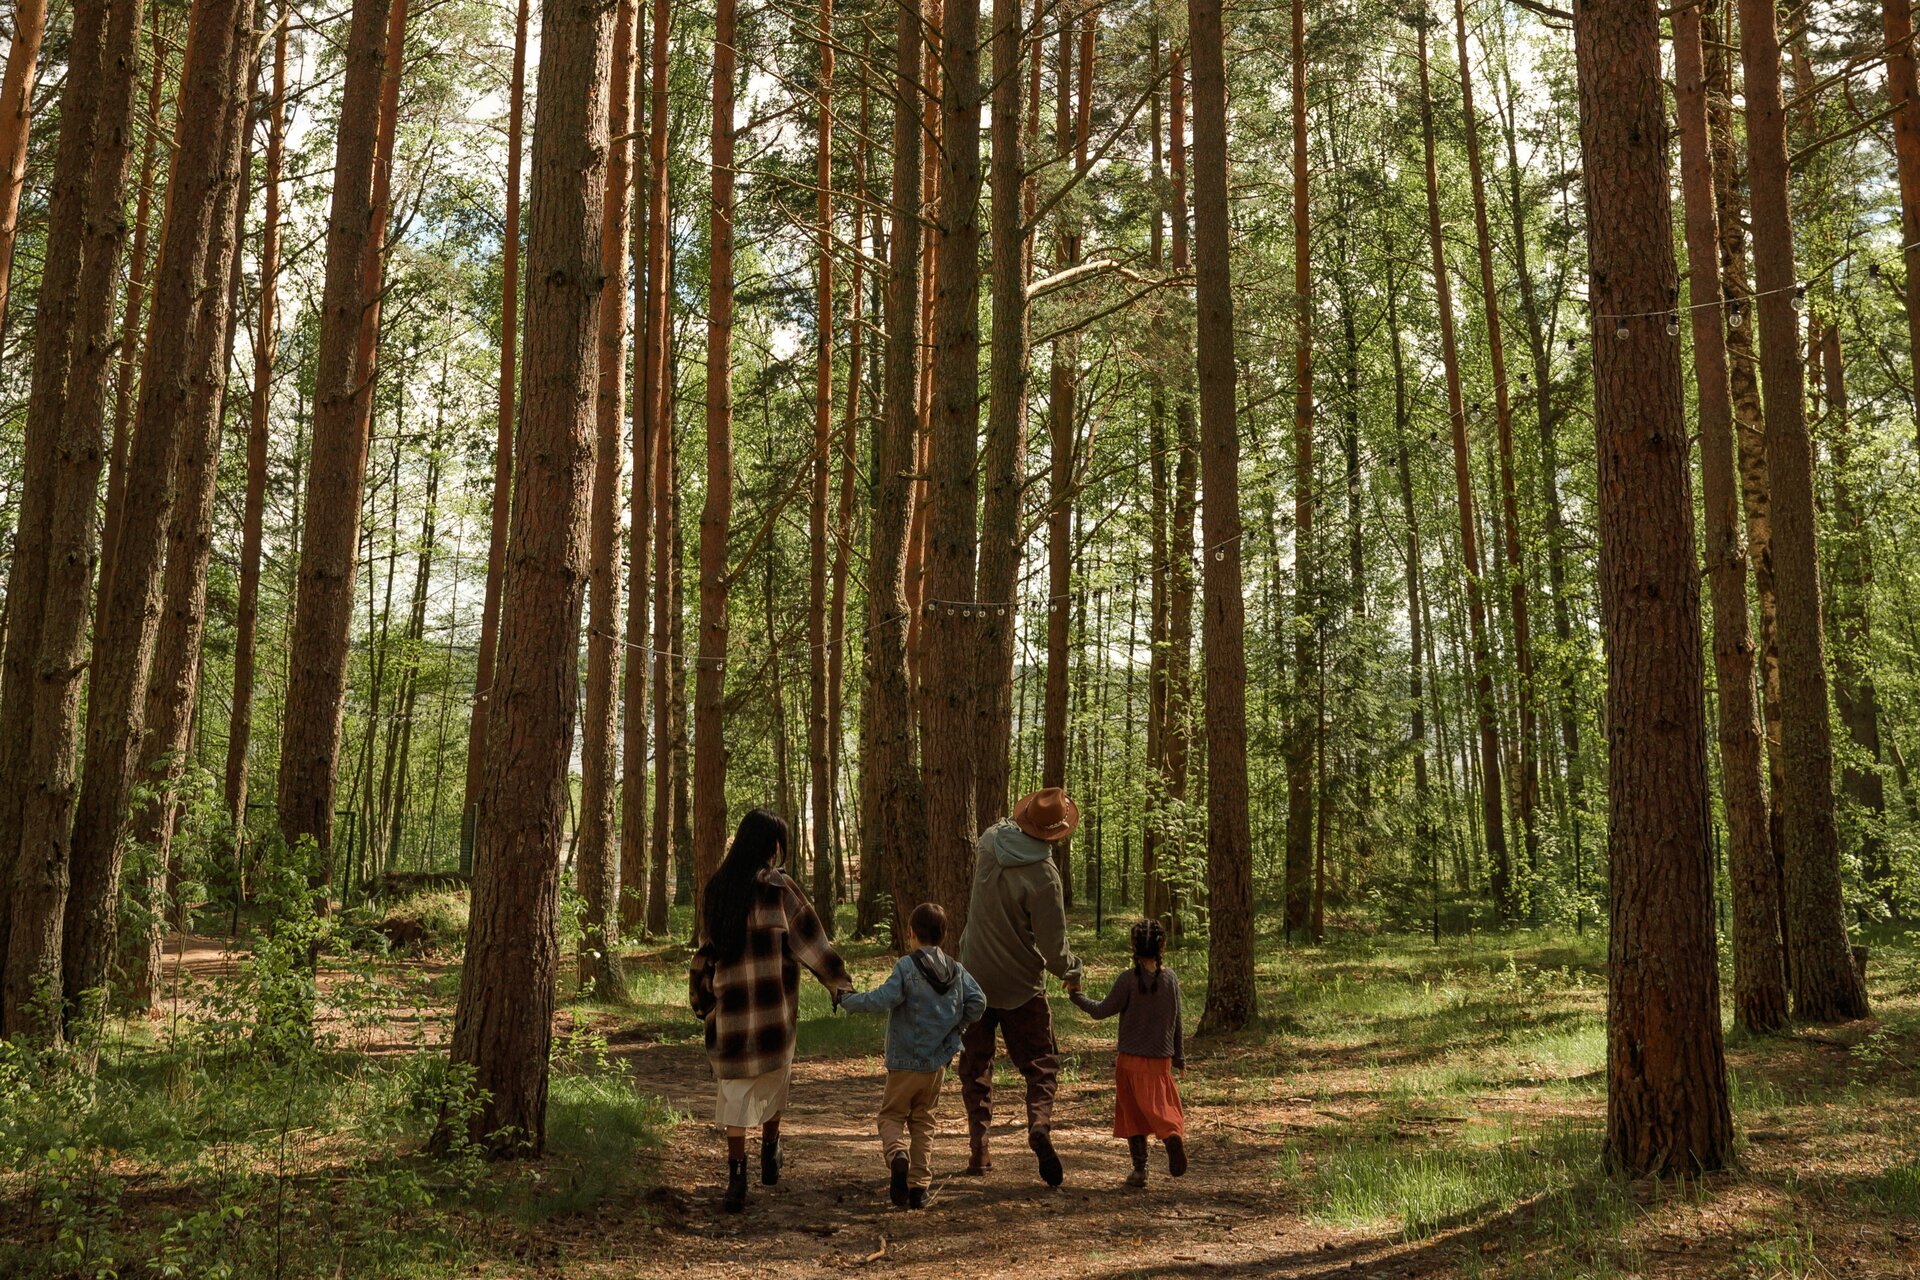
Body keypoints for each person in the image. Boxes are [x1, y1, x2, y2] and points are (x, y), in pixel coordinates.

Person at [689, 808, 851, 1213]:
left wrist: (701, 997)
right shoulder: (779, 888)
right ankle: (771, 1151)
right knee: (776, 1079)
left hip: (730, 1009)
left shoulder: (717, 888)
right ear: (769, 846)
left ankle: (736, 1176)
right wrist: (838, 981)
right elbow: (811, 940)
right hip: (773, 1010)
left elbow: (706, 950)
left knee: (736, 1092)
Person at [956, 786, 1084, 1187]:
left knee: (975, 1064)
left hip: (973, 974)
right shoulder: (1045, 877)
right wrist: (1071, 970)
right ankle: (1039, 1126)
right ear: (1055, 833)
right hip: (1020, 984)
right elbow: (1052, 945)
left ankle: (980, 1149)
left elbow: (1000, 828)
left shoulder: (989, 843)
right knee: (1041, 1063)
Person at [839, 902, 986, 1209]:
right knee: (923, 1122)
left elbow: (884, 998)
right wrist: (957, 1030)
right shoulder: (956, 970)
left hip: (904, 1061)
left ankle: (897, 1155)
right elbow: (979, 1002)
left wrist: (849, 1000)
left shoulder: (907, 967)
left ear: (911, 933)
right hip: (936, 1065)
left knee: (891, 1116)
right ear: (943, 935)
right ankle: (919, 1187)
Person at [1070, 918, 1188, 1187]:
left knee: (1132, 1115)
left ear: (1133, 945)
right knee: (1163, 1109)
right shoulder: (1170, 980)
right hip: (1161, 1062)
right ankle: (1171, 1136)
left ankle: (1139, 1171)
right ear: (1163, 946)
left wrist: (1077, 996)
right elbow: (1176, 1022)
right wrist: (1179, 1056)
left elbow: (1100, 1011)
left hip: (1129, 1061)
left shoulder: (1128, 980)